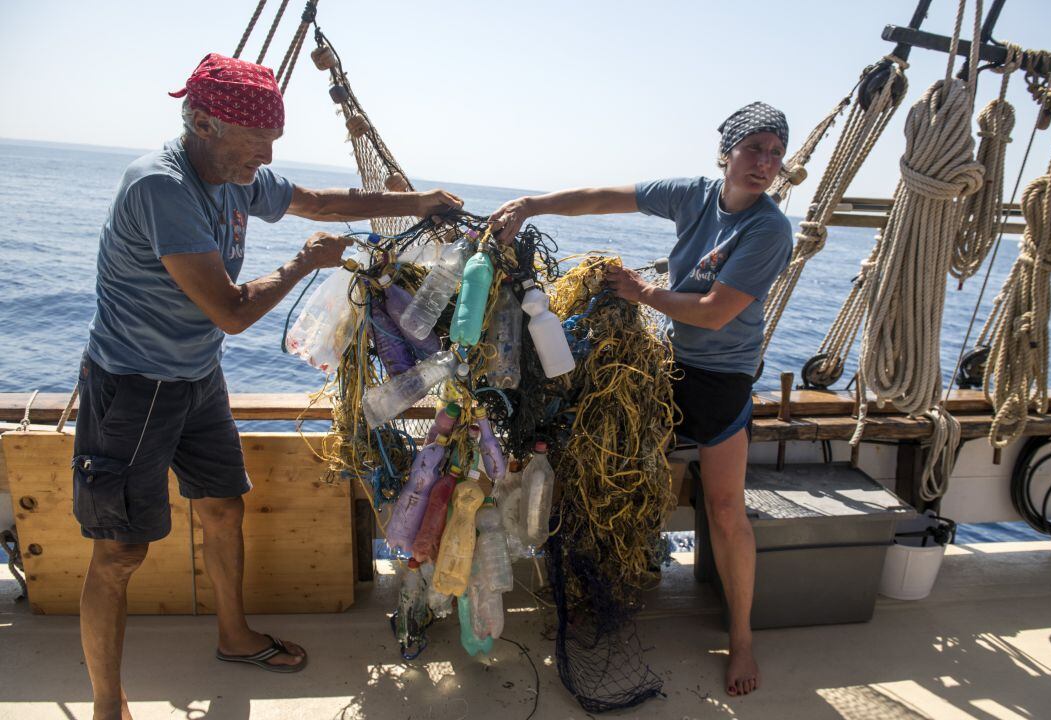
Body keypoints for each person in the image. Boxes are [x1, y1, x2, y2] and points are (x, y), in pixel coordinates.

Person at [73, 53, 462, 720]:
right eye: (254, 146)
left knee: (224, 507)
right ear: (203, 123)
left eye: (270, 148)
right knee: (119, 551)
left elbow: (318, 202)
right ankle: (109, 706)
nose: (262, 160)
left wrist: (416, 201)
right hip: (133, 388)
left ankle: (233, 636)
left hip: (197, 377)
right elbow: (229, 310)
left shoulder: (232, 174)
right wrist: (301, 263)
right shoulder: (161, 188)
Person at [489, 102, 793, 697]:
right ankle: (592, 592)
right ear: (727, 151)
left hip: (722, 382)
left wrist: (641, 291)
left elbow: (713, 314)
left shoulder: (769, 229)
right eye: (754, 148)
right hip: (667, 370)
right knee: (600, 469)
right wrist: (532, 205)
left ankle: (742, 640)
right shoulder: (693, 196)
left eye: (776, 153)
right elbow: (604, 196)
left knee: (727, 512)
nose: (765, 163)